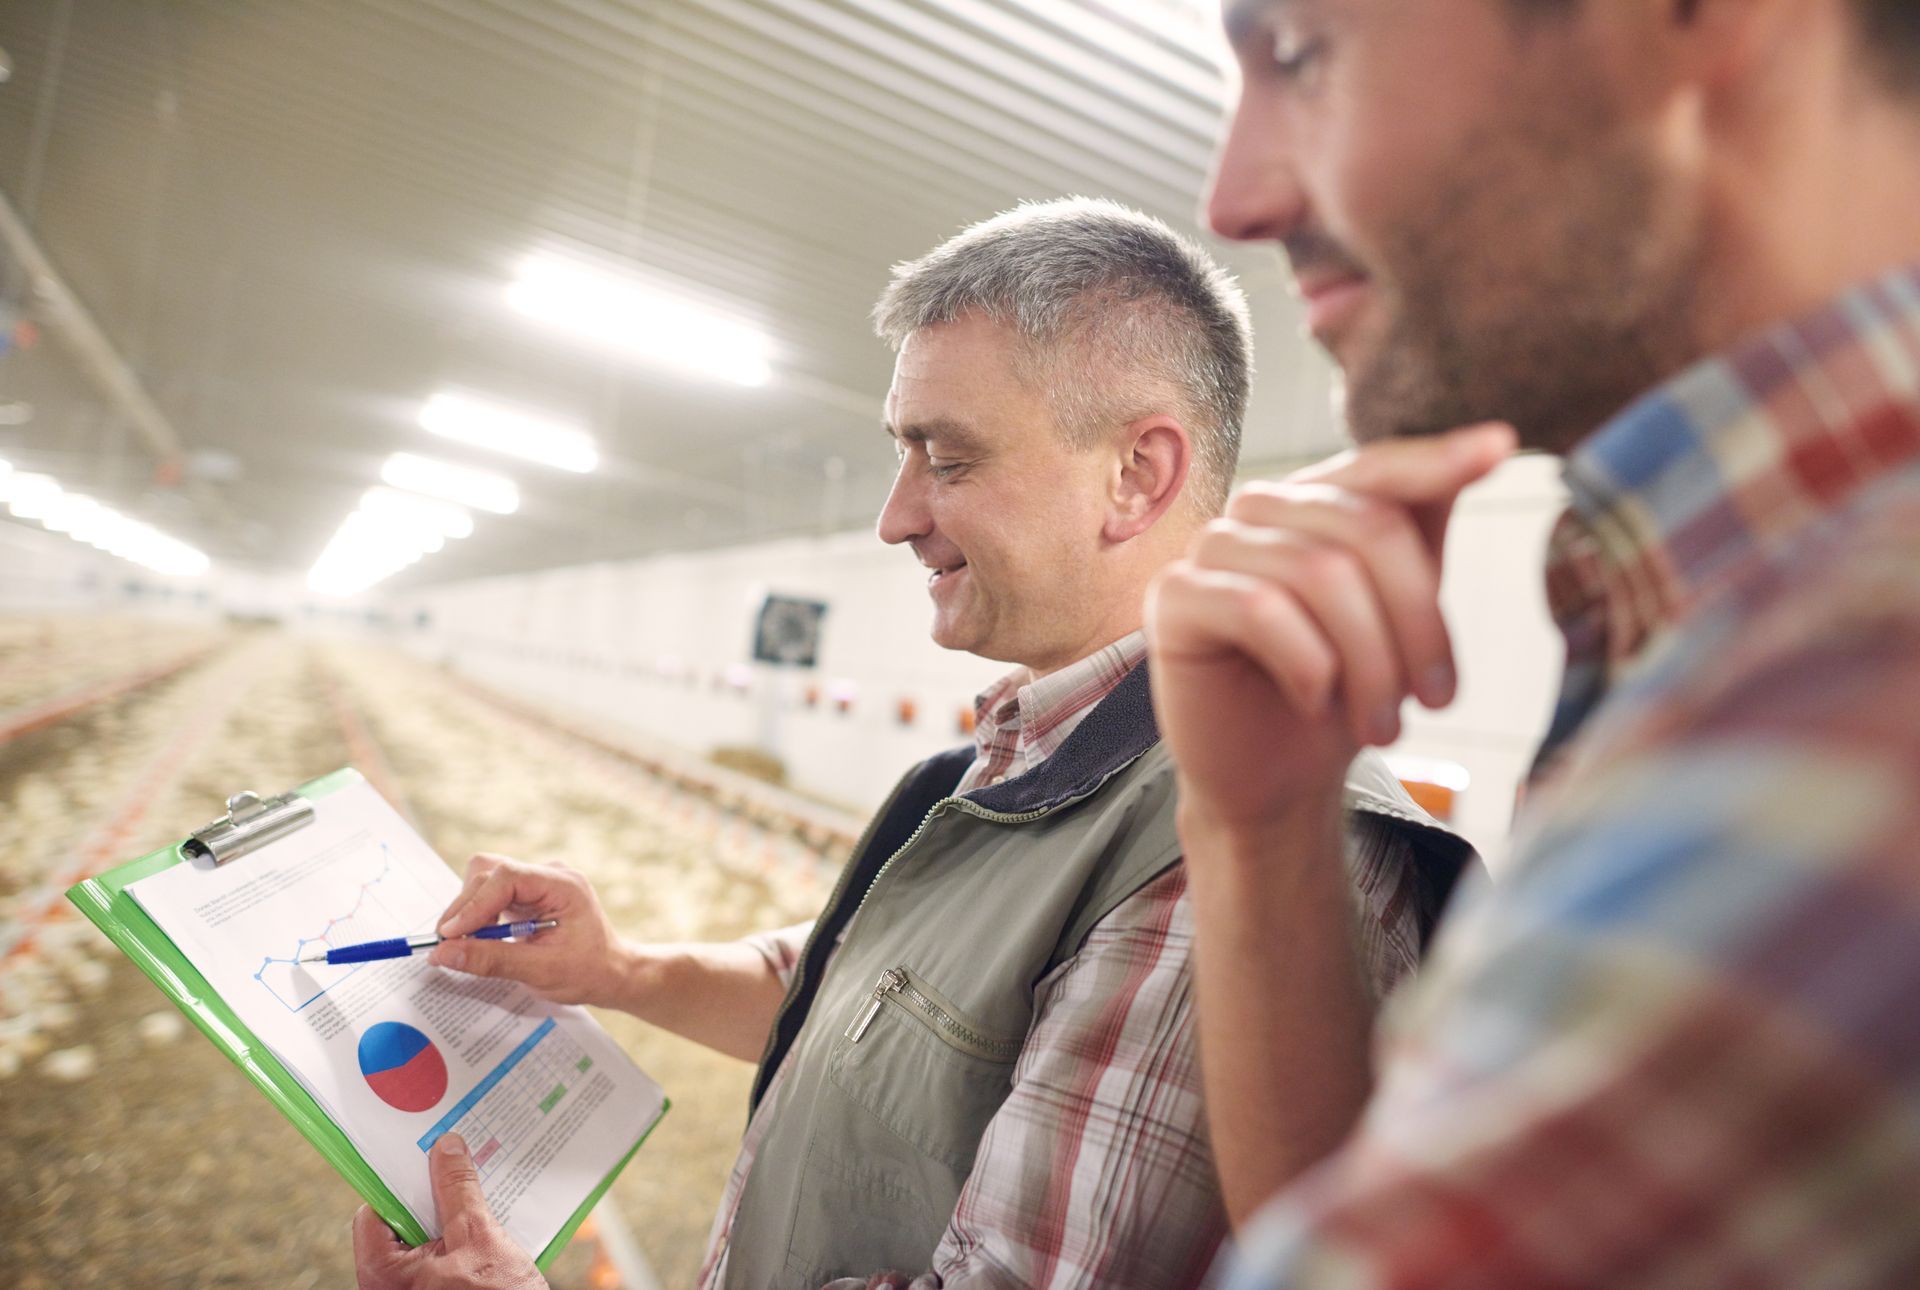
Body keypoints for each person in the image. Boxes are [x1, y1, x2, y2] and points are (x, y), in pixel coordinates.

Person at [353, 198, 1474, 1289]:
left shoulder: (1230, 850)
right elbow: (864, 996)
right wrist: (621, 971)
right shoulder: (1019, 764)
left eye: (948, 458)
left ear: (1136, 475)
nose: (894, 515)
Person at [1144, 0, 1920, 1282]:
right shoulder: (1724, 631)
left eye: (1300, 52)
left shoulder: (1852, 690)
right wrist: (1258, 835)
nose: (1235, 197)